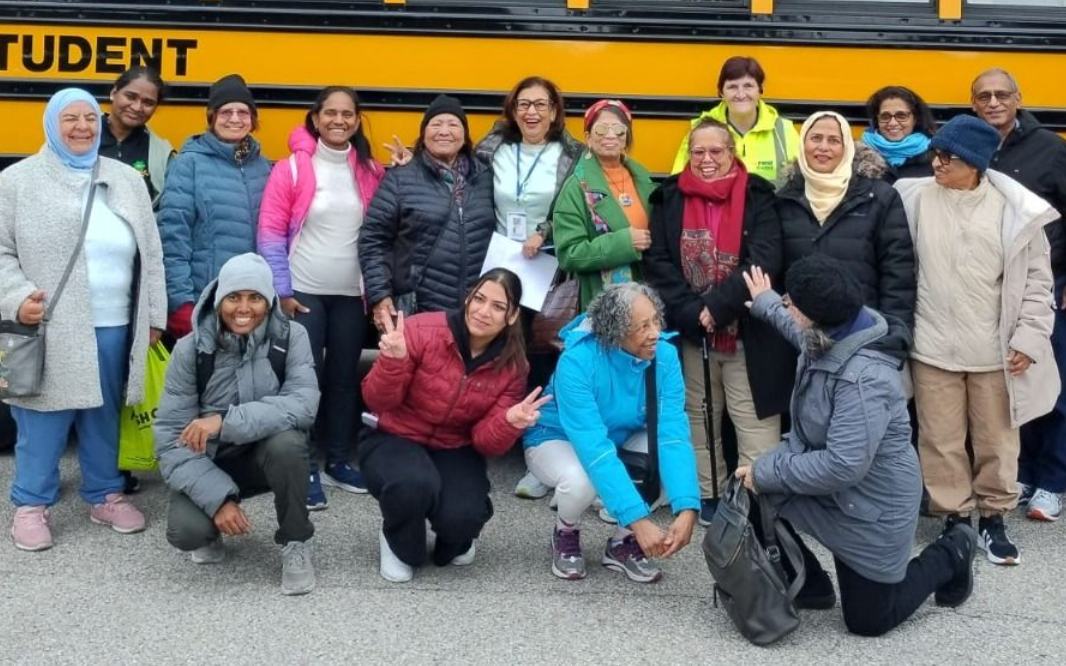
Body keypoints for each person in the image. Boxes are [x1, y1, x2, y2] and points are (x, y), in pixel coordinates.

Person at [736, 257, 978, 638]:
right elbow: (799, 332)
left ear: (814, 315)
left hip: (872, 506)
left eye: (790, 302)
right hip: (834, 485)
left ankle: (954, 551)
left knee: (869, 621)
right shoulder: (839, 328)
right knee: (747, 495)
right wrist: (766, 303)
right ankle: (810, 585)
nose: (787, 305)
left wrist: (766, 471)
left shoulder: (865, 378)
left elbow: (842, 466)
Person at [0, 88, 166, 551]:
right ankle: (32, 504)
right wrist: (14, 298)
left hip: (115, 322)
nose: (82, 128)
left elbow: (150, 252)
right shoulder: (17, 180)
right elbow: (1, 252)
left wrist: (153, 315)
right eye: (70, 118)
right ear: (52, 123)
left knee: (105, 413)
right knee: (41, 414)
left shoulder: (123, 178)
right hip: (47, 323)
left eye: (90, 119)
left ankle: (105, 493)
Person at [894, 115, 1059, 565]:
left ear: (975, 162)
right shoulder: (911, 199)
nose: (937, 162)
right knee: (939, 439)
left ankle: (994, 519)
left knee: (997, 441)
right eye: (937, 152)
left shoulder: (1016, 211)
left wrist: (1028, 339)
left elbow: (1038, 284)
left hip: (996, 352)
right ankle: (954, 519)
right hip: (930, 346)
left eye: (948, 156)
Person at [358, 269, 547, 583]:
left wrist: (508, 422)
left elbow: (485, 443)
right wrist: (392, 363)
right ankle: (398, 541)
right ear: (468, 298)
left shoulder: (514, 365)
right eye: (479, 299)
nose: (484, 312)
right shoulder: (422, 329)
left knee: (462, 520)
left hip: (454, 445)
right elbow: (377, 400)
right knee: (413, 484)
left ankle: (455, 536)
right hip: (394, 434)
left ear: (512, 316)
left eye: (498, 307)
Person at [644, 119, 790, 526]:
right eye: (698, 152)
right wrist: (694, 312)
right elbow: (657, 262)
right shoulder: (668, 197)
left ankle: (756, 497)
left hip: (748, 331)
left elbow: (765, 258)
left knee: (755, 420)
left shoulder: (761, 196)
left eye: (716, 151)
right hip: (691, 332)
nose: (706, 160)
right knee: (697, 415)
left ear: (732, 153)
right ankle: (707, 494)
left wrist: (718, 307)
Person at [154, 254, 320, 595]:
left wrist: (224, 422)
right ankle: (211, 527)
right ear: (218, 299)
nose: (243, 308)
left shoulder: (292, 337)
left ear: (269, 301)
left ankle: (296, 542)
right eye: (234, 297)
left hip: (266, 454)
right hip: (209, 459)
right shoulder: (189, 350)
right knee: (185, 533)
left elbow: (303, 404)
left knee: (288, 444)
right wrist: (217, 500)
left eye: (255, 298)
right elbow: (170, 439)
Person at [258, 86, 385, 511]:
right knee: (303, 380)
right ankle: (305, 463)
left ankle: (338, 459)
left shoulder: (369, 169)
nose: (339, 120)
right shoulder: (292, 168)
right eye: (330, 113)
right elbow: (271, 232)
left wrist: (402, 169)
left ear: (356, 120)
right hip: (304, 293)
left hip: (352, 294)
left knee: (345, 379)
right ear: (315, 118)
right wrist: (282, 291)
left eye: (347, 114)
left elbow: (385, 221)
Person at [523, 283, 699, 582]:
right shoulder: (577, 361)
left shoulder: (664, 357)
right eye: (643, 326)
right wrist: (639, 518)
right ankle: (565, 530)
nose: (655, 332)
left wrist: (688, 507)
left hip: (618, 437)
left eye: (656, 320)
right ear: (615, 331)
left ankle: (622, 544)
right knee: (581, 481)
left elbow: (673, 435)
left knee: (664, 466)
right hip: (556, 437)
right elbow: (593, 448)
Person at [472, 76, 585, 501]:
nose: (532, 112)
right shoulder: (493, 151)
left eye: (541, 105)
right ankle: (490, 436)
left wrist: (544, 230)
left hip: (549, 268)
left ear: (555, 112)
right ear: (512, 110)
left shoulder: (571, 155)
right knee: (497, 354)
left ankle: (540, 453)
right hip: (501, 263)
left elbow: (576, 204)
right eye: (523, 105)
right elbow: (457, 178)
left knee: (542, 359)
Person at [972, 68, 1066, 522]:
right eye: (984, 96)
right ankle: (1023, 471)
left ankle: (1052, 481)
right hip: (993, 289)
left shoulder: (1049, 149)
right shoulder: (970, 146)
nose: (993, 103)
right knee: (1013, 385)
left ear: (1018, 98)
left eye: (1001, 95)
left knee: (1054, 386)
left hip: (1050, 284)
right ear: (973, 104)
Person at [776, 111, 915, 364]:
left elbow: (898, 275)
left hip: (863, 338)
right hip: (798, 342)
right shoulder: (784, 198)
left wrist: (894, 340)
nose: (823, 147)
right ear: (802, 143)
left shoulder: (880, 197)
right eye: (815, 138)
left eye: (834, 140)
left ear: (847, 147)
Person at [359, 94, 496, 330]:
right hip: (417, 308)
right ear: (424, 134)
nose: (444, 131)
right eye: (436, 124)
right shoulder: (400, 179)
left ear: (465, 136)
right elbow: (373, 240)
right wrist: (380, 295)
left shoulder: (485, 178)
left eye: (453, 124)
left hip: (475, 310)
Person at [158, 74, 272, 341]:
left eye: (243, 112)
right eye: (226, 111)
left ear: (253, 119)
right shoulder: (188, 164)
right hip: (205, 301)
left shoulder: (263, 167)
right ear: (211, 117)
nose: (235, 118)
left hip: (252, 303)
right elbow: (174, 236)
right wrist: (181, 303)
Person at [553, 100, 657, 311]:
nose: (610, 136)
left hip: (648, 297)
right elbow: (569, 254)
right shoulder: (576, 187)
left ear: (627, 137)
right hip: (603, 301)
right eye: (601, 129)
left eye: (619, 130)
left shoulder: (643, 178)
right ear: (588, 138)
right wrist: (625, 243)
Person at [670, 56, 799, 187]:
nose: (741, 94)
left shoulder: (784, 129)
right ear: (721, 92)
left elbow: (802, 183)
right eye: (732, 87)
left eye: (748, 86)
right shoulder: (700, 130)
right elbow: (678, 184)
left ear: (760, 89)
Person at [99, 66, 174, 208]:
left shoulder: (162, 154)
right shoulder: (80, 136)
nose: (137, 107)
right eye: (130, 97)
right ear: (114, 93)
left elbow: (168, 209)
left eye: (148, 103)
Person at [861, 86, 937, 183]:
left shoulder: (936, 157)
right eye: (885, 116)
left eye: (901, 116)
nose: (892, 123)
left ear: (915, 119)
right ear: (877, 120)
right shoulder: (858, 157)